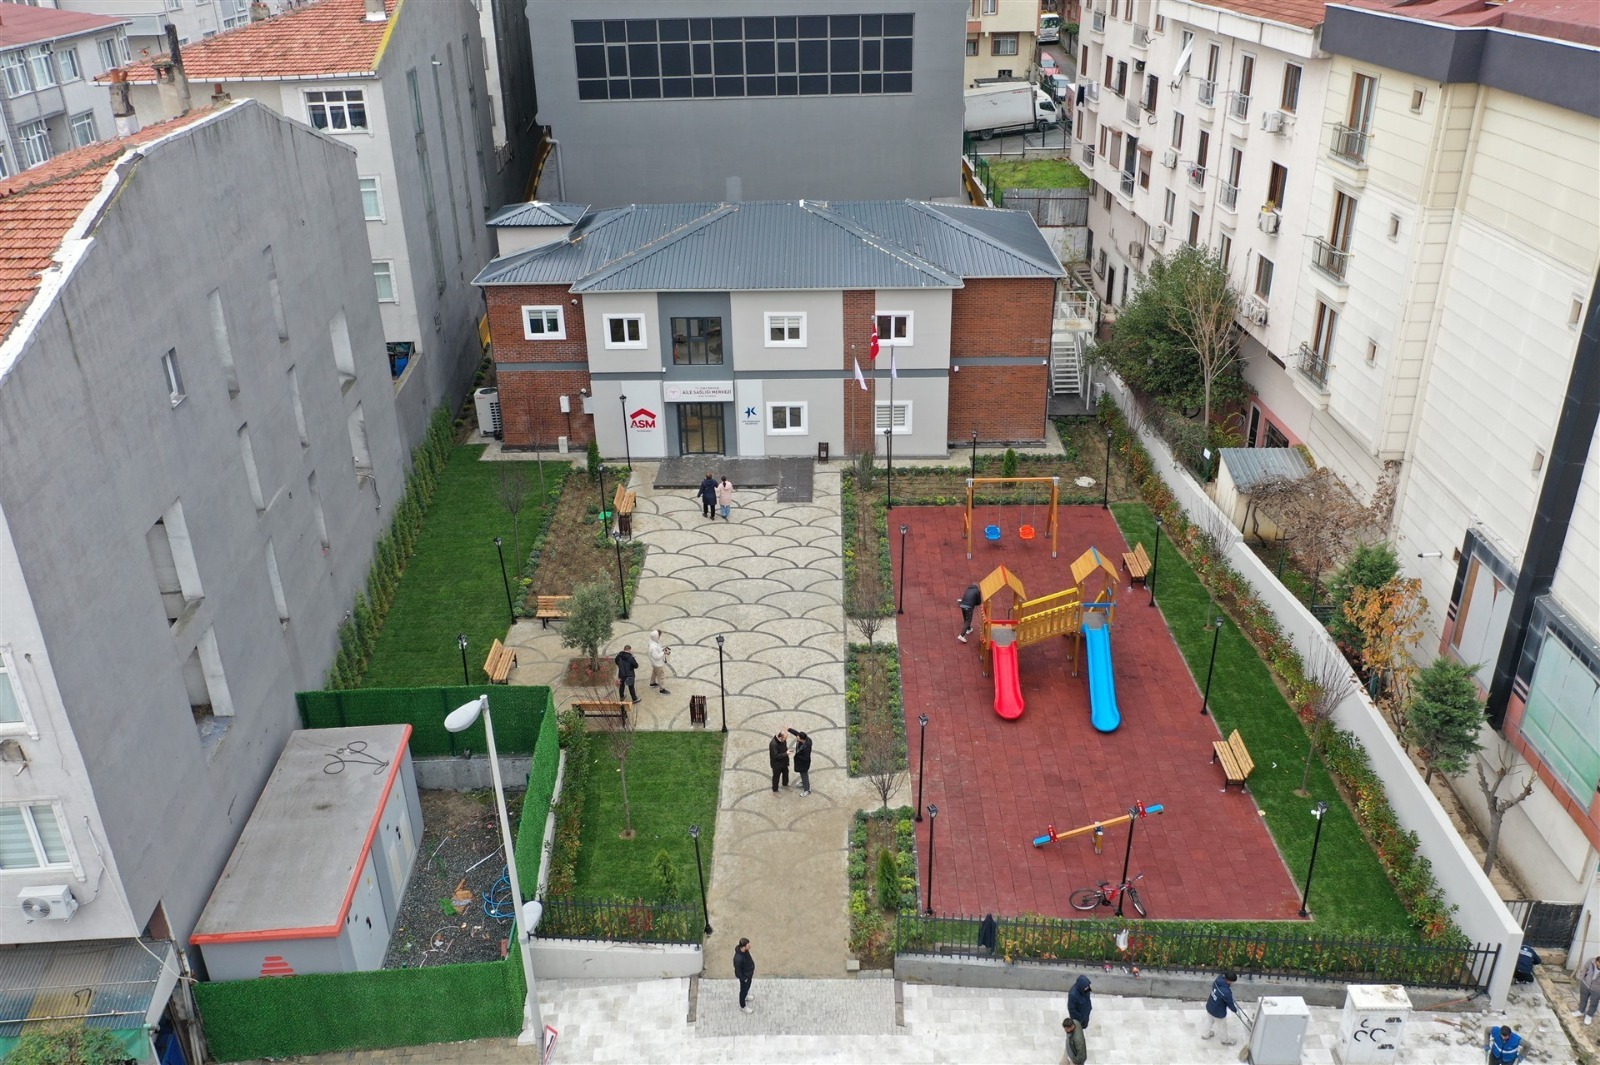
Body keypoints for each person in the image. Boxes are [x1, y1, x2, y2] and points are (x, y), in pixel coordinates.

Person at [1202, 971, 1242, 1046]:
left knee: (1209, 1020)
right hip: (1218, 1012)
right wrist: (1234, 1010)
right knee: (1222, 1027)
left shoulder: (1218, 979)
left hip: (1210, 1005)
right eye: (1232, 982)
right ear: (1229, 981)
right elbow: (1230, 1003)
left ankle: (1205, 1034)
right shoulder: (1226, 992)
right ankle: (1225, 1040)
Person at [1574, 954, 1600, 1025]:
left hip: (1597, 989)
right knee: (1583, 999)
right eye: (1598, 964)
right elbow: (1585, 968)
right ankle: (1580, 1011)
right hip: (1585, 984)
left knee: (1593, 1003)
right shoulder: (1591, 961)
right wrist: (1581, 979)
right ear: (1597, 961)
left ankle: (1589, 1015)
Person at [733, 937, 755, 1014]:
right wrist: (744, 979)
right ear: (743, 947)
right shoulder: (738, 959)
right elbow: (737, 972)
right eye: (748, 945)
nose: (750, 946)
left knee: (747, 988)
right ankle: (742, 1006)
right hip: (745, 978)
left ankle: (745, 996)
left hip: (748, 975)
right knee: (743, 991)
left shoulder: (745, 951)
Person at [789, 728, 813, 796]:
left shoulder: (806, 748)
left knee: (804, 775)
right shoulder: (804, 738)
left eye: (798, 738)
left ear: (802, 739)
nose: (796, 738)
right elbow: (796, 733)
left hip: (804, 764)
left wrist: (797, 754)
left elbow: (805, 758)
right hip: (800, 762)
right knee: (802, 775)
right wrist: (789, 729)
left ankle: (807, 790)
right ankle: (804, 783)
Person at [647, 630, 671, 695]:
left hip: (654, 663)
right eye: (659, 635)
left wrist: (662, 650)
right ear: (656, 637)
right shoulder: (653, 647)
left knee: (655, 672)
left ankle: (652, 683)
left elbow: (658, 649)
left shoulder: (652, 641)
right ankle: (662, 689)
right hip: (657, 663)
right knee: (661, 676)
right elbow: (656, 656)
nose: (660, 637)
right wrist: (663, 652)